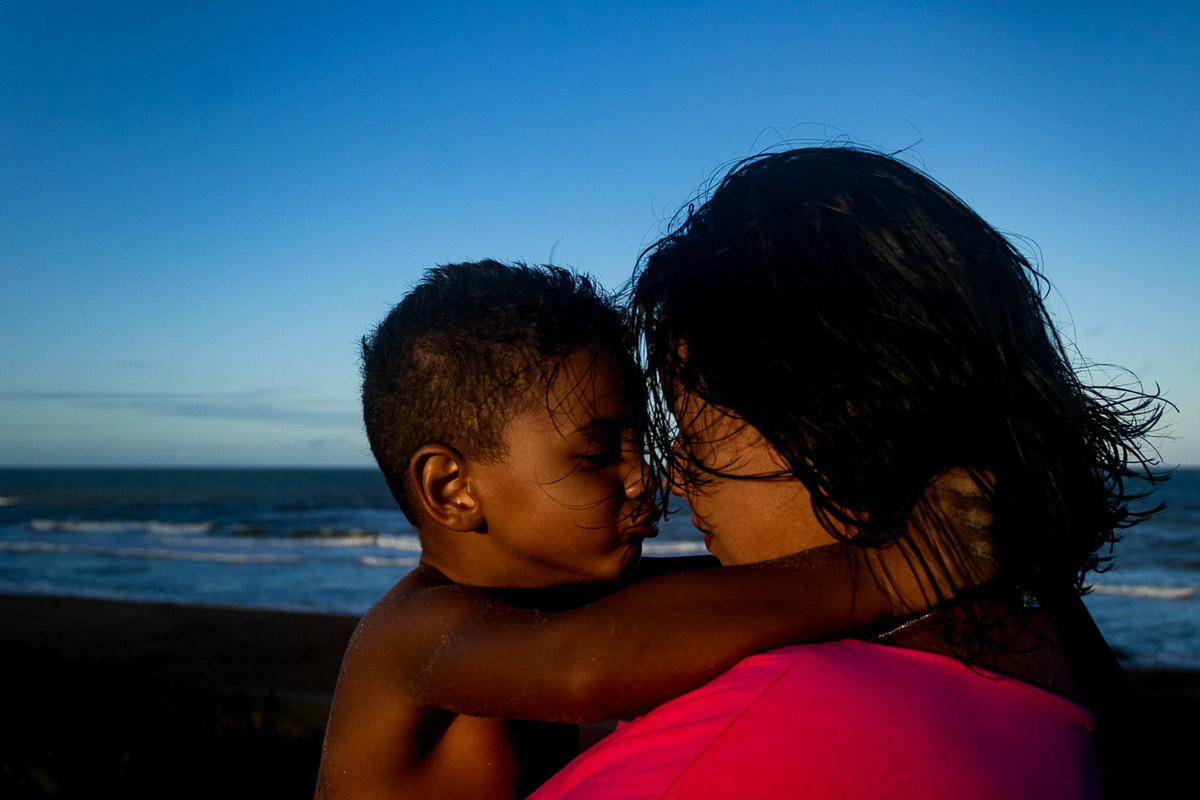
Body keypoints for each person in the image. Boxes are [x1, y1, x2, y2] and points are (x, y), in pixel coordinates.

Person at [530, 147, 1166, 799]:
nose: (680, 482)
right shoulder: (1039, 643)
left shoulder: (765, 729)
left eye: (693, 437)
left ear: (843, 420)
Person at [314, 260, 992, 799]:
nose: (647, 479)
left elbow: (701, 603)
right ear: (453, 490)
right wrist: (890, 570)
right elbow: (583, 666)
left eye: (644, 445)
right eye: (597, 453)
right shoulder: (416, 634)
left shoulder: (560, 604)